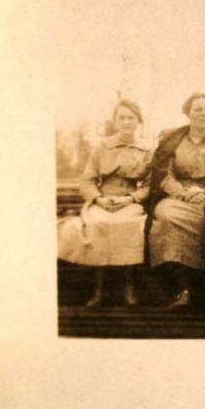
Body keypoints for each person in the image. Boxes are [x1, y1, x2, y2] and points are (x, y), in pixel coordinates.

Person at [58, 99, 152, 307]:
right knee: (96, 224)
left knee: (129, 226)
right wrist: (99, 198)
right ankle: (98, 289)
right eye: (122, 118)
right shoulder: (102, 147)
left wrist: (131, 198)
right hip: (103, 198)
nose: (126, 122)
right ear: (115, 121)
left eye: (131, 118)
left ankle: (129, 286)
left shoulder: (146, 149)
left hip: (130, 200)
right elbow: (87, 179)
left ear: (139, 122)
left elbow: (150, 185)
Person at [146, 92, 205, 307]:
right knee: (165, 217)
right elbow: (163, 173)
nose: (203, 113)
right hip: (178, 195)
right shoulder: (173, 139)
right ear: (188, 113)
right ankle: (182, 286)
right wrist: (183, 193)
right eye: (198, 109)